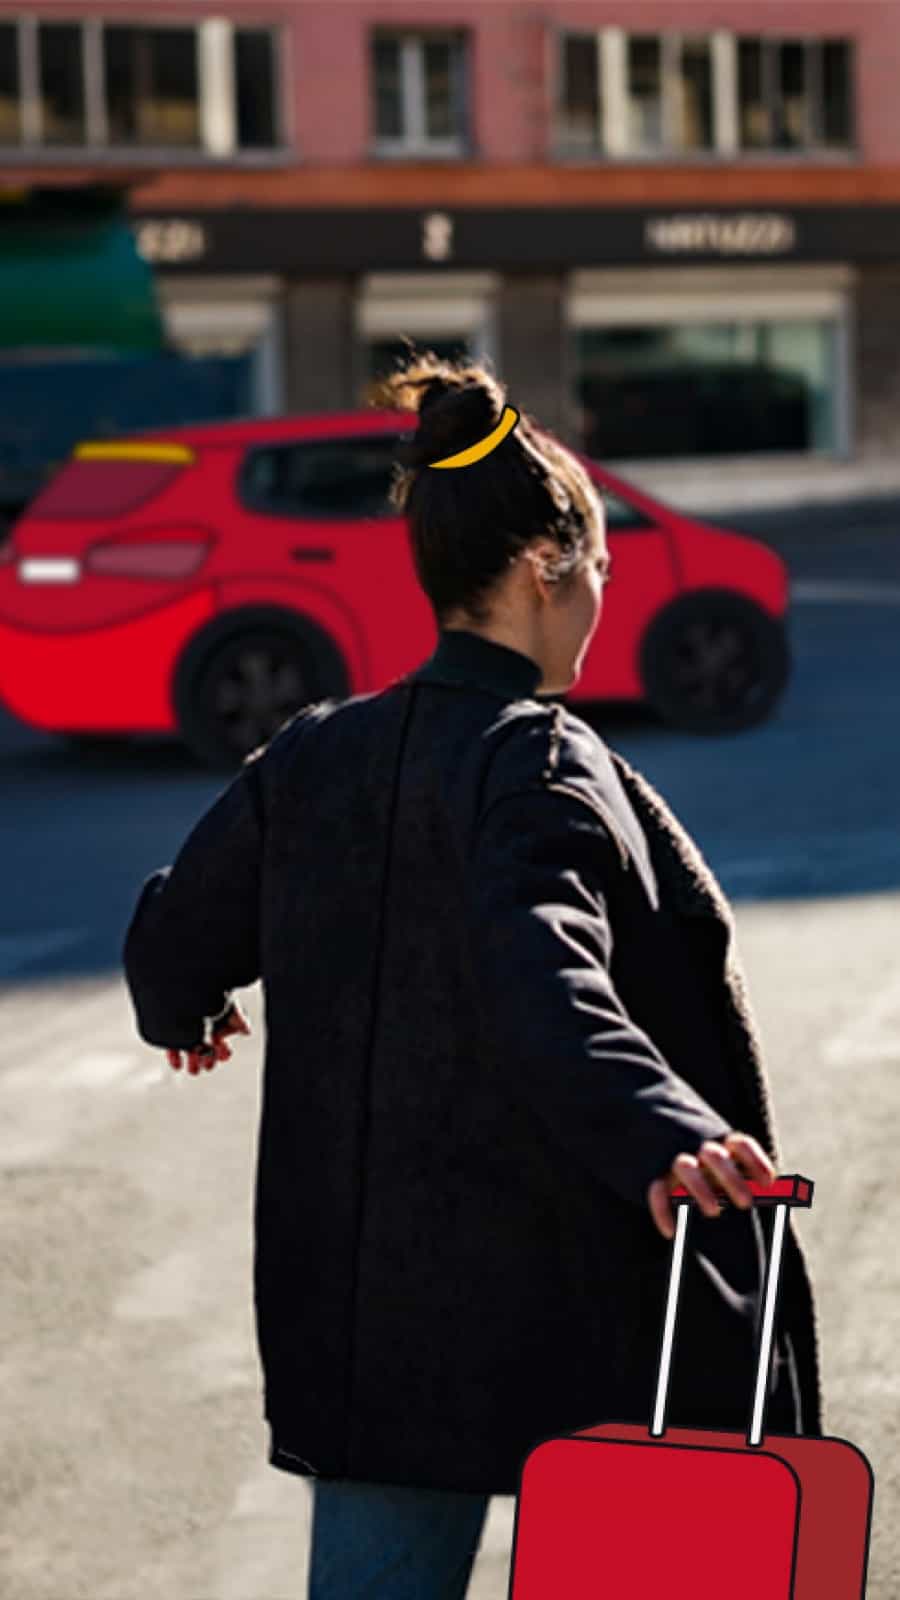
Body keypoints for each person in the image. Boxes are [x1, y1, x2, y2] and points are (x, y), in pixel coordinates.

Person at [122, 353, 821, 1600]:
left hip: (369, 1325)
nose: (605, 584)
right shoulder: (543, 762)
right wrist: (665, 1130)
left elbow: (177, 944)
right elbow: (543, 976)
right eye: (599, 558)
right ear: (548, 565)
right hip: (560, 1307)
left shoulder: (315, 753)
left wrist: (190, 1008)